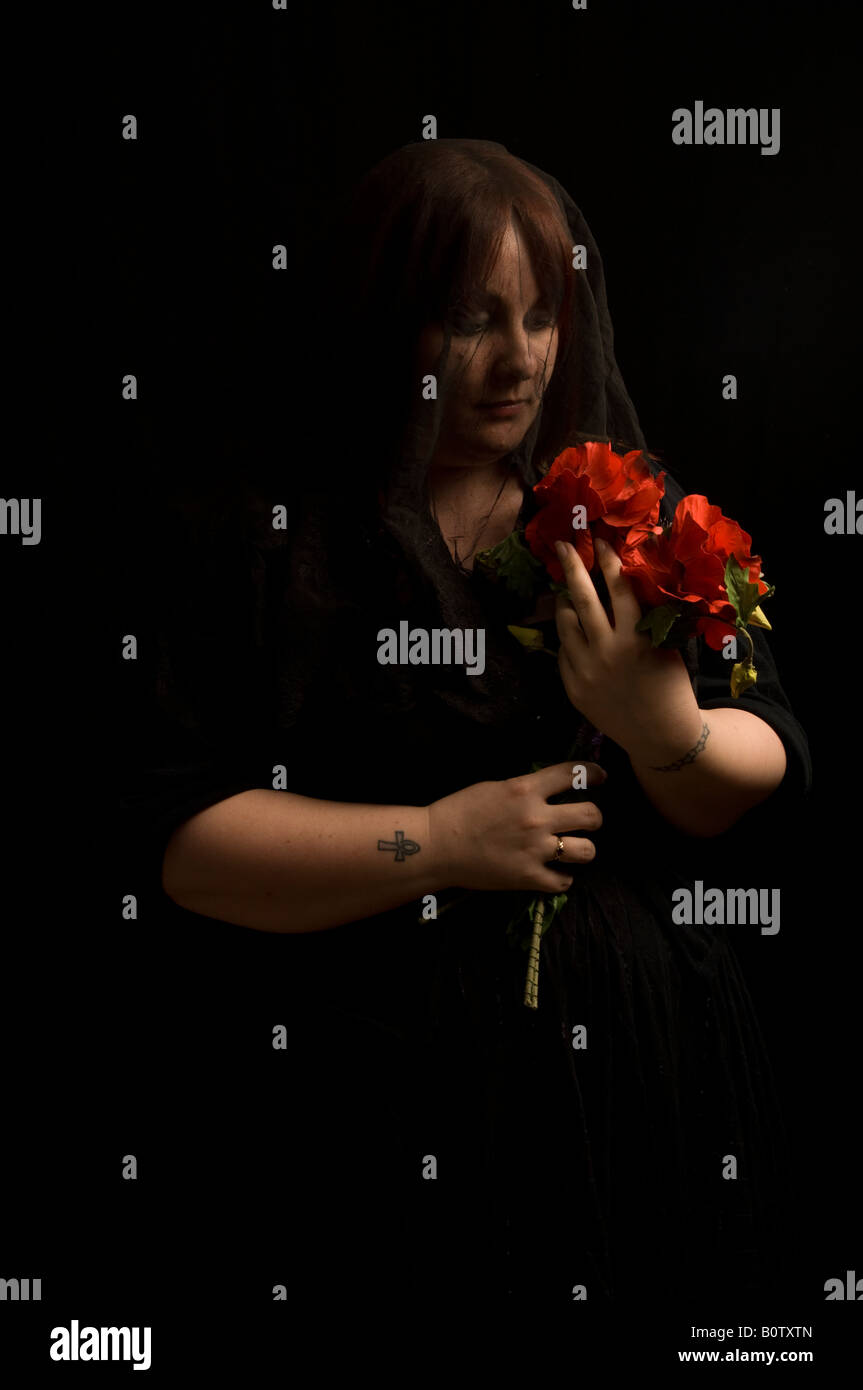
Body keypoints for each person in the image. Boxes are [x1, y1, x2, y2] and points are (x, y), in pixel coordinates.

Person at [124, 139, 812, 1315]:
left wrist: (661, 729)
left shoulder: (618, 514)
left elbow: (771, 758)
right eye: (468, 320)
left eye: (540, 316)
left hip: (641, 1076)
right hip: (379, 1103)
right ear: (383, 317)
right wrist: (438, 843)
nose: (517, 361)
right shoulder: (264, 542)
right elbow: (187, 849)